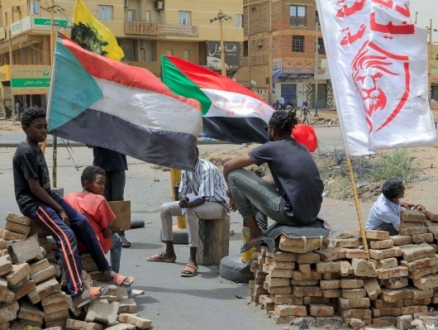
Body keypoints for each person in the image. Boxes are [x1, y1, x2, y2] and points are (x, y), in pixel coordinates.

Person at [12, 107, 122, 308]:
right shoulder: (26, 151)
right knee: (66, 235)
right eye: (38, 127)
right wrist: (60, 209)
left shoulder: (36, 147)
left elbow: (44, 187)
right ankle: (77, 291)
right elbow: (34, 188)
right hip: (32, 202)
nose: (43, 131)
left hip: (46, 195)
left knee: (81, 221)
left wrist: (59, 205)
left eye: (45, 127)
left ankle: (105, 269)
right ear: (25, 128)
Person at [223, 110, 324, 252]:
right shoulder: (301, 148)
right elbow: (289, 179)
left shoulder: (271, 148)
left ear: (272, 131)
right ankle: (261, 230)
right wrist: (250, 186)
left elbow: (228, 166)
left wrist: (232, 194)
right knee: (256, 184)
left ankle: (255, 233)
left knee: (234, 175)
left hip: (292, 215)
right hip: (312, 213)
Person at [147, 147, 228, 277]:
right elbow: (182, 191)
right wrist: (182, 199)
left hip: (217, 205)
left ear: (195, 154)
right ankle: (169, 253)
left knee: (191, 211)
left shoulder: (208, 169)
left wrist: (189, 204)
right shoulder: (186, 167)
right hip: (198, 202)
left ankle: (192, 260)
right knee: (165, 208)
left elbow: (203, 198)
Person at [65, 166, 125, 275]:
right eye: (99, 183)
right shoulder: (99, 200)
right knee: (117, 241)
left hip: (73, 242)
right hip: (92, 244)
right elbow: (107, 233)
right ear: (87, 183)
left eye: (104, 184)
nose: (103, 187)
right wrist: (113, 230)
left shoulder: (69, 197)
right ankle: (115, 274)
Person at [91, 147, 131, 248]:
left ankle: (120, 233)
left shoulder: (120, 130)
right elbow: (88, 141)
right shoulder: (95, 130)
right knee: (104, 199)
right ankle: (105, 232)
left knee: (118, 199)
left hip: (118, 165)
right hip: (100, 165)